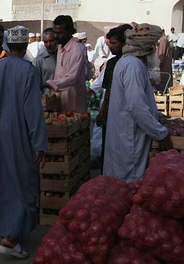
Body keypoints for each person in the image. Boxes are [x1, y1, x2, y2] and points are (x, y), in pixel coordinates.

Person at [0, 26, 47, 259]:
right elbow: (33, 111)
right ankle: (10, 240)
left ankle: (11, 230)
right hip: (19, 134)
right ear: (24, 47)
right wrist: (39, 142)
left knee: (5, 182)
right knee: (22, 183)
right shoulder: (28, 71)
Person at [103, 23, 172, 183]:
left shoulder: (129, 62)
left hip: (125, 134)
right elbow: (137, 107)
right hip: (129, 137)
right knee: (129, 185)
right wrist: (160, 133)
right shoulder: (132, 65)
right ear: (148, 48)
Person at [96, 24, 133, 173]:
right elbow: (107, 90)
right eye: (109, 43)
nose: (111, 47)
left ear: (124, 43)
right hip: (111, 112)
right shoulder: (111, 63)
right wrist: (103, 111)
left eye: (114, 43)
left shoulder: (131, 63)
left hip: (125, 113)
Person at [46, 15, 88, 112]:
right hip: (60, 99)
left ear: (69, 32)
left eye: (60, 33)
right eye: (55, 32)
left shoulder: (77, 50)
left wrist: (49, 83)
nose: (56, 36)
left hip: (74, 101)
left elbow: (72, 77)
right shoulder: (61, 47)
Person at [32, 28, 57, 94]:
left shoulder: (63, 57)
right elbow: (35, 84)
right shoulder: (39, 61)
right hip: (47, 99)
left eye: (51, 41)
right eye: (46, 42)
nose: (48, 45)